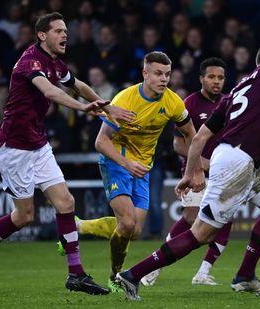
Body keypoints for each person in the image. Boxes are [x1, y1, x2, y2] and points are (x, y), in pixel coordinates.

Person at [114, 45, 260, 301]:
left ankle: (245, 276)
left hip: (239, 159)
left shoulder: (238, 89)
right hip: (237, 161)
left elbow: (199, 138)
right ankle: (132, 275)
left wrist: (190, 173)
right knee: (201, 233)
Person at [0, 12, 134, 295]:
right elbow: (51, 93)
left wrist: (108, 106)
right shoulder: (30, 62)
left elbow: (76, 84)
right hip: (14, 148)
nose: (65, 35)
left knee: (66, 203)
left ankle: (76, 274)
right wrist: (83, 108)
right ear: (42, 35)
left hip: (38, 145)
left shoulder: (55, 62)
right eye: (58, 31)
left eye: (66, 30)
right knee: (24, 216)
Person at [66, 51, 198, 292]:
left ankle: (79, 227)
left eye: (167, 74)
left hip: (142, 167)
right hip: (116, 160)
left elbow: (191, 133)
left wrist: (194, 169)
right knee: (126, 223)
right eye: (158, 73)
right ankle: (116, 276)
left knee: (134, 231)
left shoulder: (173, 102)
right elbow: (101, 142)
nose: (163, 79)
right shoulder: (125, 99)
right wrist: (126, 164)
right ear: (145, 73)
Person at [142, 57, 232, 287]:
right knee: (192, 219)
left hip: (224, 174)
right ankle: (156, 265)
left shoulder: (228, 103)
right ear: (201, 78)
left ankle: (203, 272)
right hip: (194, 172)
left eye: (220, 77)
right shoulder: (190, 103)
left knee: (225, 219)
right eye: (211, 77)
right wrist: (203, 164)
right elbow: (179, 145)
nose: (216, 82)